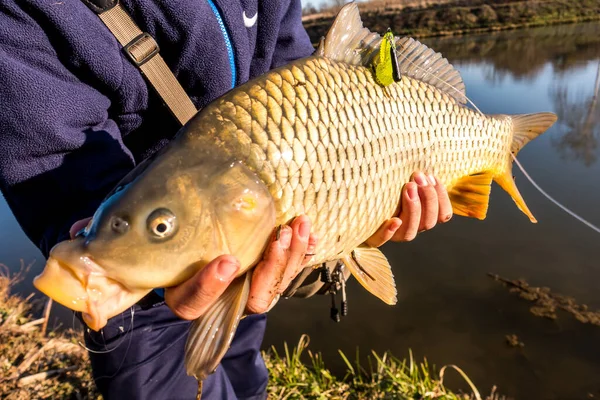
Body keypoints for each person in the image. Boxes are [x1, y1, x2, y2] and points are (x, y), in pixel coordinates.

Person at [0, 1, 452, 399]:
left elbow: (293, 72)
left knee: (248, 379)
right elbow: (46, 153)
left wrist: (364, 208)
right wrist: (92, 220)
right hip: (137, 304)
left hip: (250, 258)